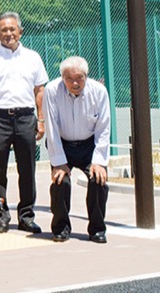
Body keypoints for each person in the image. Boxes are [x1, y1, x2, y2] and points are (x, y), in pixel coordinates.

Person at [0, 12, 47, 234]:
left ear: (20, 31)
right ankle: (0, 214)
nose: (8, 34)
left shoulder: (33, 57)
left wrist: (41, 119)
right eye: (3, 30)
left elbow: (40, 90)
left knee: (28, 168)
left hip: (26, 116)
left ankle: (26, 216)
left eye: (12, 29)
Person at [45, 56, 110, 243]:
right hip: (62, 143)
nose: (75, 83)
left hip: (89, 145)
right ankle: (60, 228)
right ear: (62, 78)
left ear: (86, 77)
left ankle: (97, 229)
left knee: (99, 180)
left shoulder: (99, 92)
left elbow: (103, 129)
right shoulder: (52, 90)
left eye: (79, 78)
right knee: (60, 182)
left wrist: (98, 161)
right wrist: (58, 162)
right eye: (69, 78)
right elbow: (51, 127)